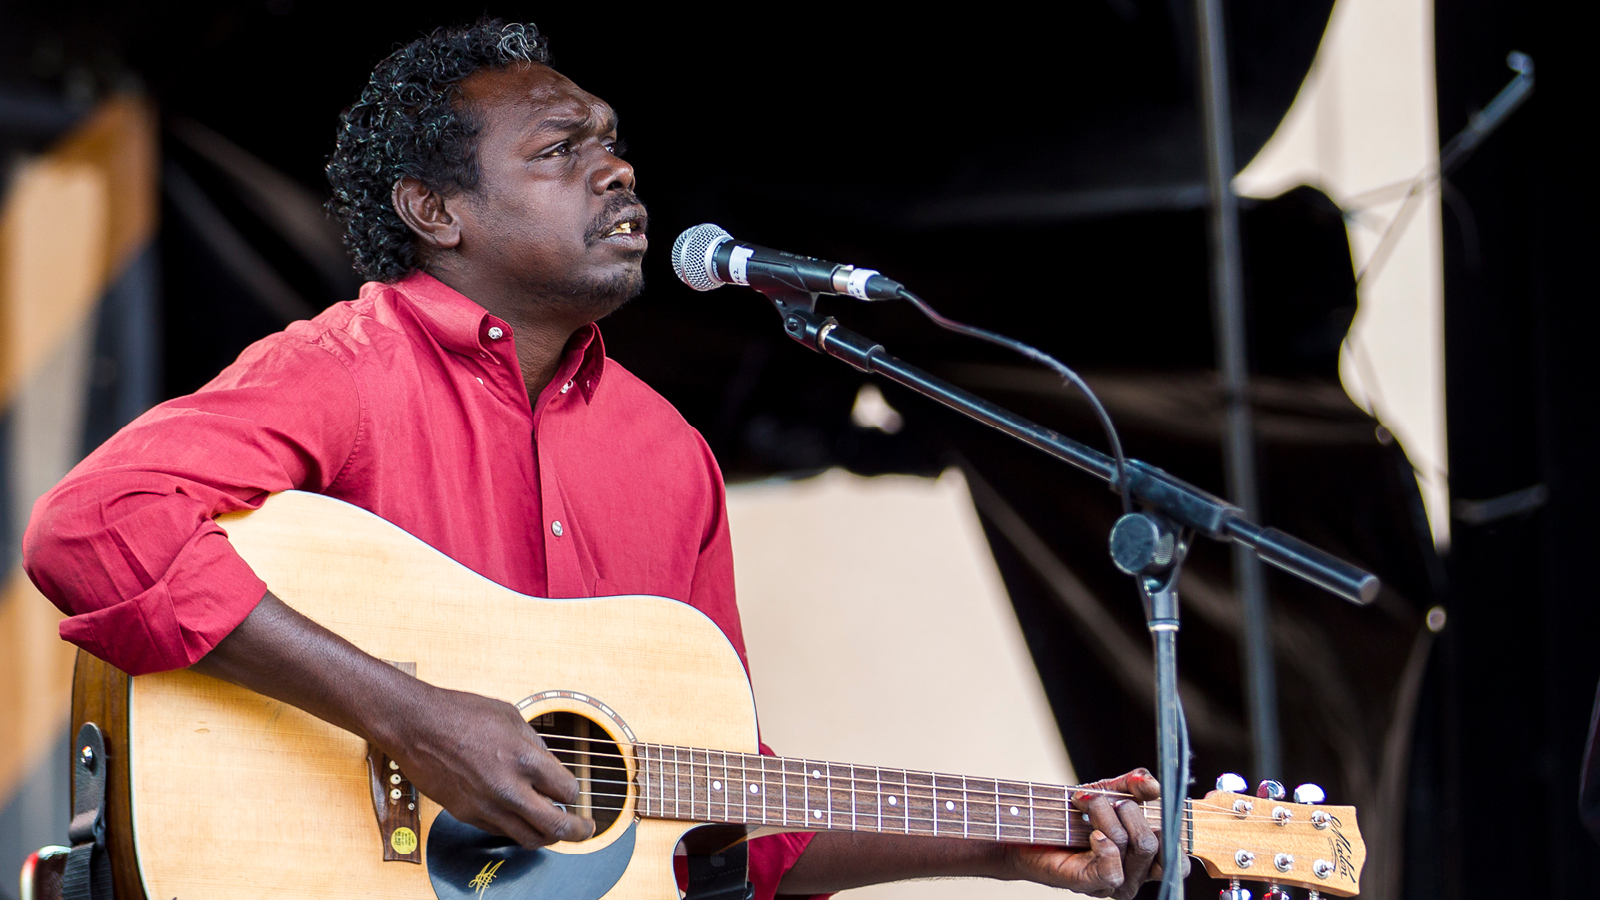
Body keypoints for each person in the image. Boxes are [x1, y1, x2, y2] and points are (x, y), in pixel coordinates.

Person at [23, 20, 1164, 899]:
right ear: (435, 210)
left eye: (613, 144)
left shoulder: (667, 452)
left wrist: (1011, 843)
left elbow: (718, 826)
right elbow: (91, 530)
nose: (616, 173)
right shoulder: (343, 369)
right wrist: (410, 717)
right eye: (560, 151)